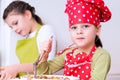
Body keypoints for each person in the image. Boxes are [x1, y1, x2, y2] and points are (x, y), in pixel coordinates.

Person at [35, 0, 112, 80]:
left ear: (97, 30)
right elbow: (43, 73)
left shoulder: (101, 56)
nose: (79, 31)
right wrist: (44, 55)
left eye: (85, 26)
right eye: (74, 28)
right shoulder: (68, 54)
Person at [0, 0, 56, 79]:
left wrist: (16, 68)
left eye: (15, 23)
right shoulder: (24, 38)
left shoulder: (45, 30)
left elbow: (48, 65)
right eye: (11, 27)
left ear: (27, 14)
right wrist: (10, 71)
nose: (14, 29)